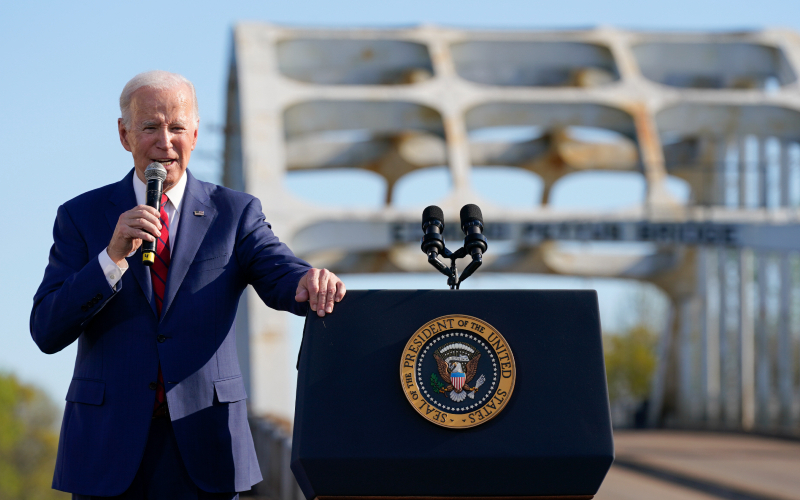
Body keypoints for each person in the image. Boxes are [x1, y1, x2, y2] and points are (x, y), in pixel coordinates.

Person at [30, 70, 346, 499]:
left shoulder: (234, 213)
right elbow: (46, 329)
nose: (165, 141)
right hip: (105, 452)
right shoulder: (80, 216)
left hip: (206, 446)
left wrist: (309, 280)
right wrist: (111, 258)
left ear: (195, 134)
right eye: (150, 127)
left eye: (177, 127)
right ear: (124, 135)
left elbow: (280, 273)